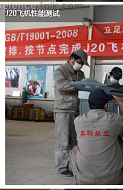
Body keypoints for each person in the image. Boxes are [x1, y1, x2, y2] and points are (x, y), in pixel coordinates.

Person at [68, 89, 123, 184]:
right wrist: (122, 104)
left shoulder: (78, 121)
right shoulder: (114, 120)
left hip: (83, 181)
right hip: (112, 181)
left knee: (74, 150)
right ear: (106, 105)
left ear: (89, 105)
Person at [54, 49, 89, 177]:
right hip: (63, 110)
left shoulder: (80, 73)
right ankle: (62, 167)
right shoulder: (60, 71)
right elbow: (61, 86)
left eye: (83, 64)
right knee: (63, 140)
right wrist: (79, 85)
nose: (81, 65)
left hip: (76, 110)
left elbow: (85, 86)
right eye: (80, 62)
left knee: (74, 140)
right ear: (72, 59)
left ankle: (73, 165)